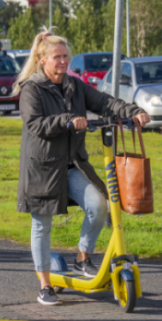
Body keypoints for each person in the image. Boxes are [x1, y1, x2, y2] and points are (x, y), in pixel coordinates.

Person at [16, 32, 151, 306]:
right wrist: (67, 120)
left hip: (73, 164)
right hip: (42, 169)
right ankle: (45, 285)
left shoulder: (75, 86)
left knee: (100, 204)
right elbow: (35, 124)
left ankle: (82, 258)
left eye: (66, 56)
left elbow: (104, 102)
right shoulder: (31, 88)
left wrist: (133, 110)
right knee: (42, 224)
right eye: (57, 57)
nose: (63, 62)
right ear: (43, 60)